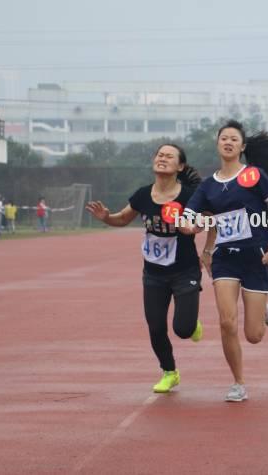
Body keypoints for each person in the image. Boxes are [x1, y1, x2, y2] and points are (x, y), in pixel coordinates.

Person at [181, 119, 268, 402]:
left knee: (253, 335)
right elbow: (193, 218)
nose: (228, 142)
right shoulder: (208, 186)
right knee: (227, 323)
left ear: (241, 147)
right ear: (217, 144)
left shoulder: (253, 176)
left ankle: (263, 308)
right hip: (225, 259)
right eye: (223, 138)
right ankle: (238, 382)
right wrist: (189, 226)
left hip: (256, 257)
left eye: (234, 139)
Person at [86, 144, 204, 394]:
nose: (162, 159)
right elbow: (123, 218)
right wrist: (106, 217)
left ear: (180, 166)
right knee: (156, 326)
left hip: (184, 270)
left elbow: (203, 219)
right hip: (154, 273)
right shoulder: (142, 195)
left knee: (182, 329)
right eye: (159, 155)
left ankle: (192, 323)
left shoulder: (189, 195)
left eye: (169, 156)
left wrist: (193, 228)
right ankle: (170, 372)